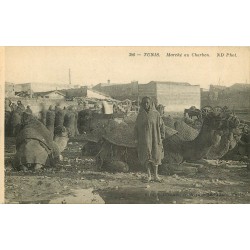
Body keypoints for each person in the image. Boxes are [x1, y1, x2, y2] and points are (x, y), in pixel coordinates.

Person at [134, 96, 165, 182]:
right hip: (144, 140)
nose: (146, 104)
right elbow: (136, 128)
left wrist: (162, 137)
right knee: (146, 157)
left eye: (147, 102)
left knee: (156, 156)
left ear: (151, 103)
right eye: (144, 103)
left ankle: (156, 176)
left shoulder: (156, 114)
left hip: (155, 139)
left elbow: (162, 126)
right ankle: (149, 176)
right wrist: (136, 139)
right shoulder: (140, 116)